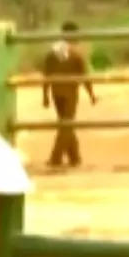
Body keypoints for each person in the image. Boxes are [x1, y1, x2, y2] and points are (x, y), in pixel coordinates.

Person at [41, 21, 97, 168]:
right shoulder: (76, 53)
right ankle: (56, 157)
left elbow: (47, 74)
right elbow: (84, 76)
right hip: (70, 93)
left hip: (56, 92)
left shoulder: (54, 51)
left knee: (65, 124)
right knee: (67, 126)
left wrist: (45, 95)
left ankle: (74, 157)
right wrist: (92, 94)